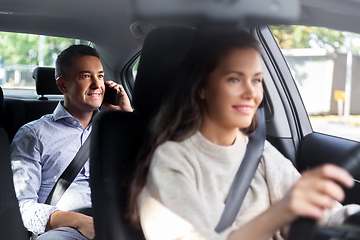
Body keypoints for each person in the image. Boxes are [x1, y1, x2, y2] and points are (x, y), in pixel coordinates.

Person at [127, 30, 360, 240]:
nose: (251, 92)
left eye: (257, 80)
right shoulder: (170, 162)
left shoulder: (260, 151)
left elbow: (328, 214)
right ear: (201, 87)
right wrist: (280, 213)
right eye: (234, 79)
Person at [11, 44, 132, 240]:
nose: (96, 84)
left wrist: (127, 118)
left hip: (120, 222)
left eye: (100, 76)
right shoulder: (33, 135)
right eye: (85, 76)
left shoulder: (117, 130)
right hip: (67, 231)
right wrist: (78, 221)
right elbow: (20, 206)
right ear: (62, 85)